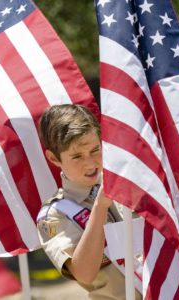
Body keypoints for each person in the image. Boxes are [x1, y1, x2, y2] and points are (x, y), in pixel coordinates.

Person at [36, 104, 141, 299]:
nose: (91, 163)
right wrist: (100, 206)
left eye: (95, 150)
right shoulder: (55, 215)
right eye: (77, 156)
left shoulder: (129, 178)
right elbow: (84, 273)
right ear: (53, 158)